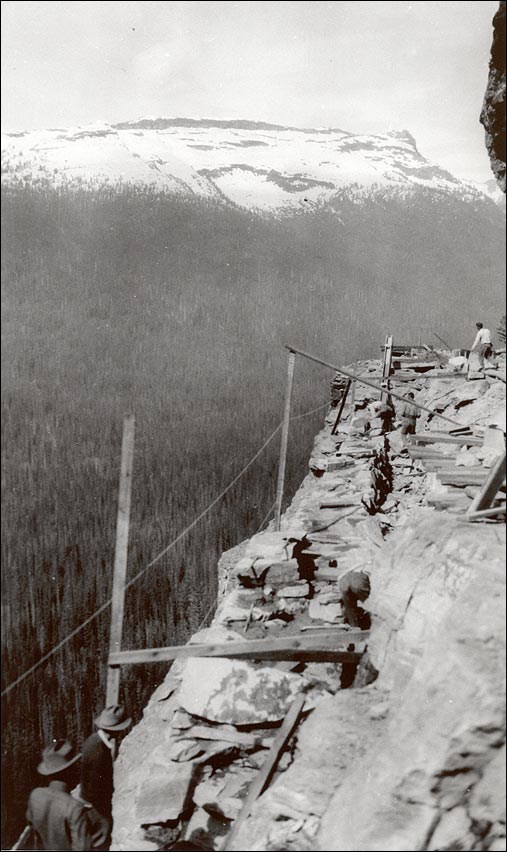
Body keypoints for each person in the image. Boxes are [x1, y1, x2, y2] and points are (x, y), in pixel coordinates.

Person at [26, 740, 95, 851]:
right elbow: (82, 848)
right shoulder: (74, 807)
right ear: (70, 771)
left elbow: (32, 825)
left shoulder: (35, 795)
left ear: (48, 774)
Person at [80, 704, 131, 850]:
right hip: (96, 805)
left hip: (91, 800)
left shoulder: (94, 740)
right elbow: (96, 786)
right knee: (103, 837)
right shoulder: (99, 751)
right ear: (118, 729)